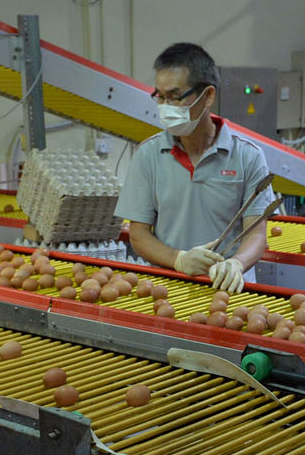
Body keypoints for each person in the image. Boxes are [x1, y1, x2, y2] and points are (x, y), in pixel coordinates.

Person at [114, 42, 275, 294]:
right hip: (168, 290)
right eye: (160, 97)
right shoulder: (148, 155)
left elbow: (256, 233)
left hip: (229, 290)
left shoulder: (248, 156)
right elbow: (139, 235)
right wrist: (179, 259)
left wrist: (236, 264)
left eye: (175, 97)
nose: (165, 106)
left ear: (207, 96)